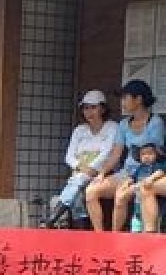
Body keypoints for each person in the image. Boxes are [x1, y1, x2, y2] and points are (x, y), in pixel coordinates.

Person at [84, 79, 166, 232]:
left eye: (125, 98)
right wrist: (102, 173)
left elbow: (155, 154)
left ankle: (120, 235)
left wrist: (134, 179)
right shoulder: (123, 124)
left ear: (138, 99)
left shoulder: (155, 123)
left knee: (122, 196)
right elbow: (116, 153)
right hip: (127, 172)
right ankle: (100, 236)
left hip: (148, 172)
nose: (122, 102)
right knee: (91, 190)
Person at [42, 90, 121, 228]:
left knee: (77, 183)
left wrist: (90, 170)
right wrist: (82, 168)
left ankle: (53, 218)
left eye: (93, 107)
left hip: (105, 172)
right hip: (81, 172)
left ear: (103, 108)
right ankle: (79, 228)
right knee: (78, 190)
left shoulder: (112, 127)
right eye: (86, 108)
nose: (89, 112)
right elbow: (69, 156)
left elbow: (106, 153)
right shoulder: (79, 130)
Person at [129, 142, 166, 232]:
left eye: (150, 153)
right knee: (138, 223)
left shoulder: (157, 165)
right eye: (143, 154)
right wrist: (128, 185)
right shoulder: (140, 168)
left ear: (156, 155)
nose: (146, 156)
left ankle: (152, 232)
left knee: (157, 219)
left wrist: (151, 178)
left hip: (155, 202)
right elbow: (131, 178)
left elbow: (160, 172)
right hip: (138, 202)